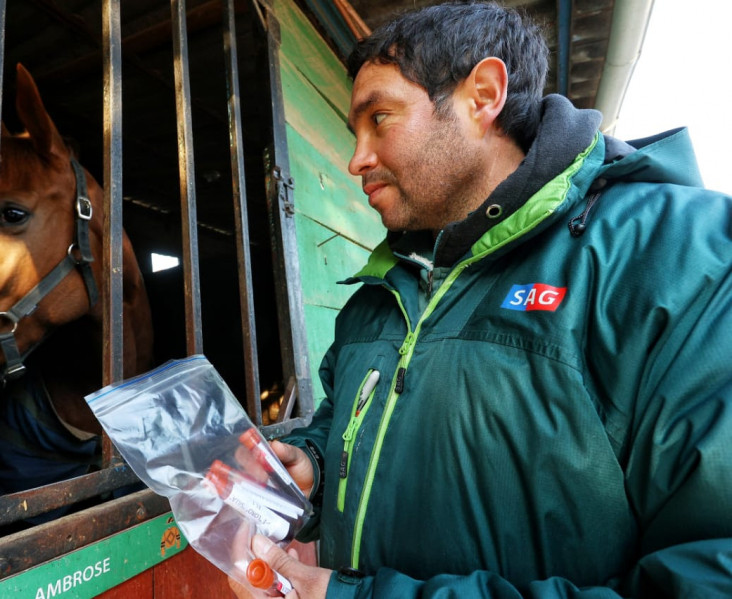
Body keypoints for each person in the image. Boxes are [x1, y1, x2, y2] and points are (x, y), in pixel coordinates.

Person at [229, 1, 732, 597]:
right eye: (352, 133)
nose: (356, 158)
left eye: (380, 118)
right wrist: (311, 463)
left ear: (483, 95)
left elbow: (710, 573)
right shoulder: (378, 294)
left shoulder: (675, 257)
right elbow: (347, 420)